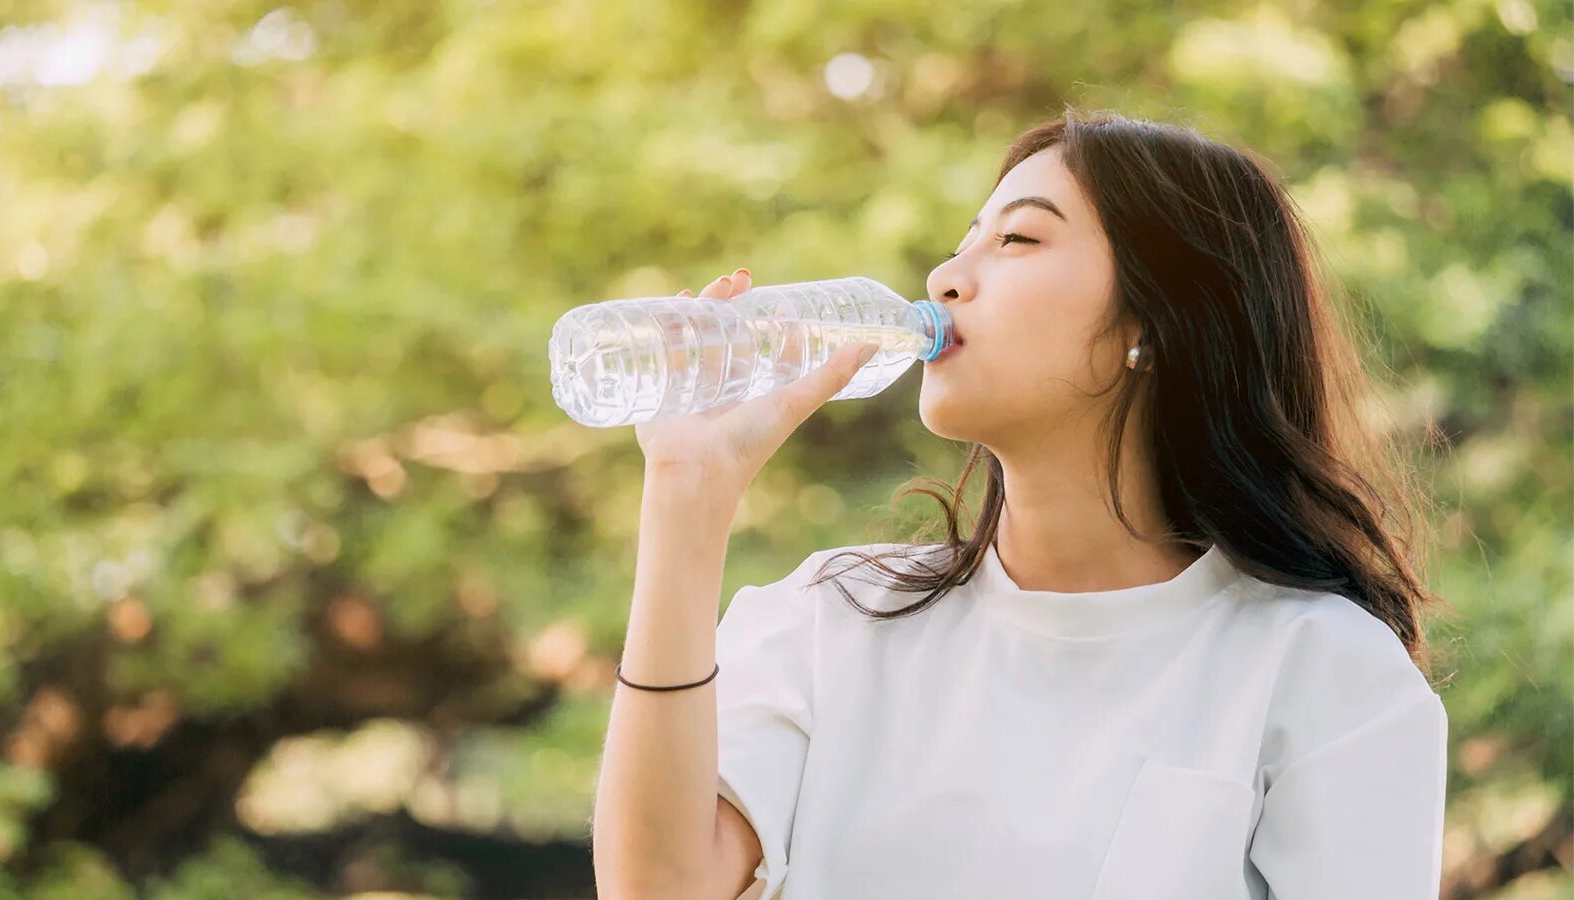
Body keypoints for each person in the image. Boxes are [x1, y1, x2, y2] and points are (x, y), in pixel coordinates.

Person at [591, 109, 1453, 900]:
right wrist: (686, 494)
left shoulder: (1322, 672)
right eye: (966, 241)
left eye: (1019, 239)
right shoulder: (836, 618)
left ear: (1149, 324)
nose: (946, 276)